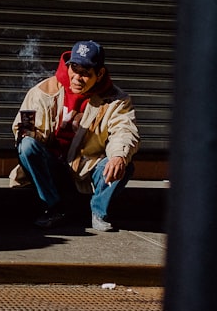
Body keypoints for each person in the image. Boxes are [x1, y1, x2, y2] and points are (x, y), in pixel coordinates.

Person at [9, 40, 139, 231]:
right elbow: (24, 129)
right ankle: (53, 208)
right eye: (74, 69)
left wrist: (119, 155)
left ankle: (99, 211)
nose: (77, 77)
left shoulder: (116, 99)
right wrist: (29, 133)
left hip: (87, 167)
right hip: (52, 165)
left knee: (124, 163)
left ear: (100, 73)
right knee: (26, 146)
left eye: (86, 73)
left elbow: (124, 130)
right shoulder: (41, 91)